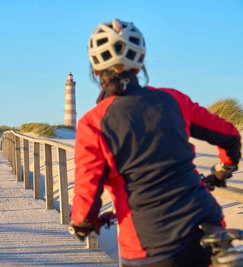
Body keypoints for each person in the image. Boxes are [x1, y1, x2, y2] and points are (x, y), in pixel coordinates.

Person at [69, 18, 241, 267]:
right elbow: (230, 136)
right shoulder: (173, 100)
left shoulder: (93, 124)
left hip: (150, 244)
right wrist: (223, 169)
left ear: (95, 70)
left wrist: (82, 223)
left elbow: (88, 191)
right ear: (139, 66)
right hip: (206, 224)